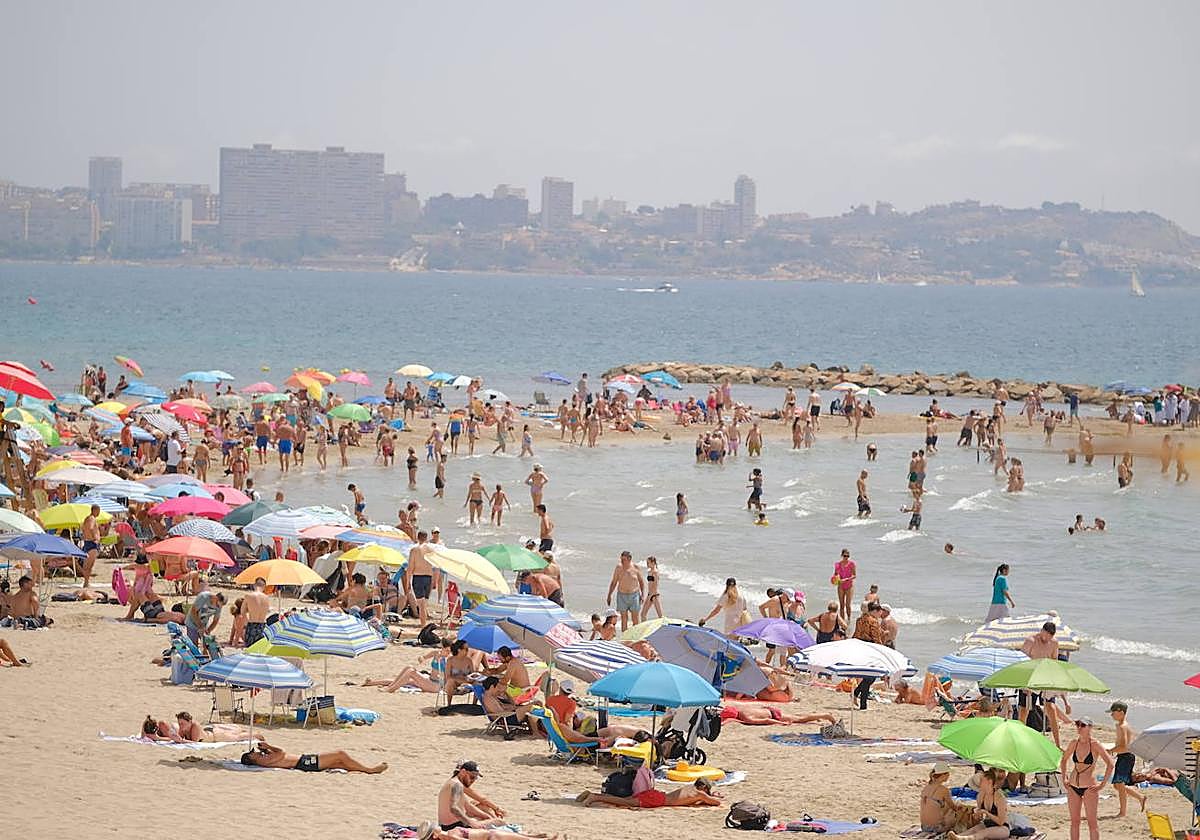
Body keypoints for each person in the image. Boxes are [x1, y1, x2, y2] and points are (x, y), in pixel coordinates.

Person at [1059, 717, 1114, 840]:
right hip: (1073, 786)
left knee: (1092, 822)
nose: (1079, 727)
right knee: (1074, 821)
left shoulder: (1095, 744)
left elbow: (1110, 764)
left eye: (1082, 725)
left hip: (1089, 787)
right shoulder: (1074, 742)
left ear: (1090, 727)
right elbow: (1063, 760)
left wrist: (1102, 784)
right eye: (1077, 724)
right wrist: (1064, 778)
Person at [240, 739, 387, 774]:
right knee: (340, 754)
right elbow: (282, 753)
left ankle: (363, 770)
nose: (257, 752)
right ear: (251, 758)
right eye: (253, 753)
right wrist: (269, 747)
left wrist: (267, 749)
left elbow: (279, 754)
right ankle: (370, 770)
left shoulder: (264, 759)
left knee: (340, 763)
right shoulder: (263, 761)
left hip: (303, 761)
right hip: (304, 763)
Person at [437, 761, 507, 831]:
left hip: (446, 825)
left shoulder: (453, 782)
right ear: (463, 772)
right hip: (453, 826)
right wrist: (471, 823)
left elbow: (468, 806)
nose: (473, 780)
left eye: (475, 778)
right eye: (472, 777)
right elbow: (454, 808)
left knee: (484, 812)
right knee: (500, 822)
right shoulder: (457, 785)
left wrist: (487, 817)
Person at [947, 767, 1009, 840]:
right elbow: (979, 818)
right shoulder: (980, 796)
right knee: (972, 830)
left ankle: (962, 839)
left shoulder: (999, 798)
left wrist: (986, 812)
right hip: (987, 824)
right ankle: (956, 837)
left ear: (989, 782)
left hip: (1002, 828)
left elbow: (1001, 822)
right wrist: (976, 816)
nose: (980, 782)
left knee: (983, 833)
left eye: (982, 780)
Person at [1108, 701, 1148, 816]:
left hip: (1126, 757)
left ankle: (1122, 812)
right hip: (1125, 756)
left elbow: (1124, 747)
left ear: (1121, 712)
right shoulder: (1123, 725)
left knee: (1119, 785)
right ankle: (1140, 797)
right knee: (1117, 785)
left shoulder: (1122, 726)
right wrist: (1114, 749)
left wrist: (1111, 750)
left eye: (1113, 712)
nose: (1111, 715)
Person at [579, 778, 722, 809]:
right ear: (703, 787)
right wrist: (712, 797)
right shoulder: (700, 793)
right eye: (707, 790)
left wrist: (710, 795)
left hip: (656, 793)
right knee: (624, 802)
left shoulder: (689, 787)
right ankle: (594, 797)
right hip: (658, 800)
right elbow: (716, 803)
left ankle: (591, 794)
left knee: (622, 799)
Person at [851, 603, 885, 709]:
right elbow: (876, 638)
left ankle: (857, 696)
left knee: (868, 676)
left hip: (860, 648)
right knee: (870, 676)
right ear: (875, 611)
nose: (880, 615)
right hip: (870, 649)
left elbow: (856, 634)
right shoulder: (873, 621)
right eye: (879, 612)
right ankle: (862, 704)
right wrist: (882, 651)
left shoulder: (859, 620)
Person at [605, 551, 644, 632]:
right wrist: (609, 595)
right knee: (624, 618)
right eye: (621, 559)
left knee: (635, 619)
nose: (622, 561)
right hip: (622, 596)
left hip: (634, 595)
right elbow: (614, 582)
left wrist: (643, 595)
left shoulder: (636, 567)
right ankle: (624, 639)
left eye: (624, 560)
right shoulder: (618, 568)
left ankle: (635, 638)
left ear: (629, 559)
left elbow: (641, 582)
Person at [405, 531, 436, 625]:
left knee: (421, 605)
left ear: (418, 538)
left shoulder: (415, 549)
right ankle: (424, 624)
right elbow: (435, 567)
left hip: (418, 577)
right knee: (424, 603)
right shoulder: (431, 550)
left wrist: (407, 582)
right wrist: (435, 581)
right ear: (426, 538)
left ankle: (423, 626)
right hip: (429, 578)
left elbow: (410, 567)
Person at [720, 702, 835, 726]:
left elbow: (766, 721)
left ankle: (825, 715)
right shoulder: (741, 708)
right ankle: (816, 717)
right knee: (796, 716)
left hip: (773, 715)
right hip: (769, 709)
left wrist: (779, 723)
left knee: (799, 720)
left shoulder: (746, 717)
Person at [920, 763, 958, 834]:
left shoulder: (926, 787)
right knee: (955, 812)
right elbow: (953, 807)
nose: (949, 776)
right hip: (936, 828)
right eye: (948, 774)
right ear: (943, 775)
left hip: (924, 826)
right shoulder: (944, 790)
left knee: (941, 805)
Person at [242, 577, 270, 647]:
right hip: (262, 626)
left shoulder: (248, 596)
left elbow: (242, 611)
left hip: (252, 624)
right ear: (264, 586)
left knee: (249, 649)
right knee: (260, 650)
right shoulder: (267, 598)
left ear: (254, 585)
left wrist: (246, 624)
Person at [80, 504, 101, 588]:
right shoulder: (92, 518)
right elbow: (91, 528)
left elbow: (83, 529)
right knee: (89, 565)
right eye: (98, 511)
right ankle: (86, 582)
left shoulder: (86, 519)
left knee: (86, 565)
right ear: (95, 510)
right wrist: (95, 537)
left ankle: (86, 581)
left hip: (87, 542)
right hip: (92, 543)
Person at [833, 549, 856, 622]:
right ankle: (842, 621)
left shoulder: (852, 564)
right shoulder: (837, 564)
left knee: (848, 605)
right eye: (845, 556)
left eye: (848, 556)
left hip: (849, 586)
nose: (846, 557)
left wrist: (846, 579)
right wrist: (835, 579)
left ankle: (849, 619)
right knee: (842, 605)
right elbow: (835, 574)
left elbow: (854, 575)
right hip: (840, 586)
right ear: (842, 555)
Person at [640, 556, 662, 621]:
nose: (647, 564)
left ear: (653, 563)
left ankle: (665, 628)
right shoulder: (649, 572)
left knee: (660, 616)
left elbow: (655, 584)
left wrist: (651, 595)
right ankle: (644, 629)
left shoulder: (655, 572)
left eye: (648, 563)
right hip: (650, 594)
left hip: (654, 595)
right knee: (643, 614)